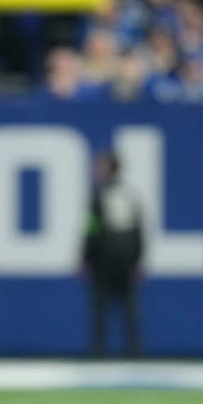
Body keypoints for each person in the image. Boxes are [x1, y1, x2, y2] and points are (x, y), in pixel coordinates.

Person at [81, 150, 144, 357]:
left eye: (101, 165)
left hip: (105, 258)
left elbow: (92, 228)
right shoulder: (129, 194)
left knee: (101, 306)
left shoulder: (99, 195)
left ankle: (99, 351)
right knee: (127, 306)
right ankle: (133, 350)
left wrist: (85, 257)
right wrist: (137, 258)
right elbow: (138, 229)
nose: (97, 169)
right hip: (126, 257)